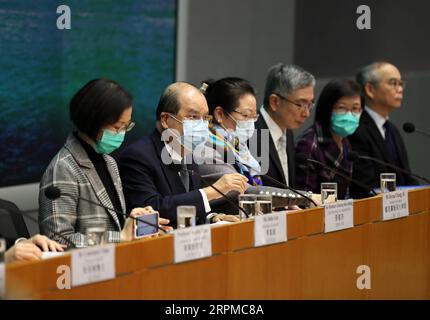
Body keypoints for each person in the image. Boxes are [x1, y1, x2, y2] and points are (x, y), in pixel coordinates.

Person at [39, 79, 170, 248]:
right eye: (117, 127)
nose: (122, 133)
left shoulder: (109, 162)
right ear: (93, 122)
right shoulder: (63, 168)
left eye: (126, 126)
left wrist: (138, 225)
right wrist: (121, 237)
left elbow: (115, 225)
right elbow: (58, 240)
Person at [116, 82, 249, 227]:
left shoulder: (187, 153)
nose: (201, 125)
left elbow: (187, 204)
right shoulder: (137, 156)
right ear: (166, 120)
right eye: (193, 117)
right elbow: (150, 211)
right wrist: (211, 192)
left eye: (205, 118)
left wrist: (212, 217)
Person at [197, 77, 311, 213]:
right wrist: (304, 197)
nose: (251, 122)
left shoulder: (238, 146)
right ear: (220, 114)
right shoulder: (207, 147)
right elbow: (246, 191)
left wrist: (282, 203)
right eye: (245, 115)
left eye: (254, 116)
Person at [349, 61, 418, 198]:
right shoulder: (356, 129)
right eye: (393, 83)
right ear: (370, 90)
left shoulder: (392, 130)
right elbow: (366, 187)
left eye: (401, 83)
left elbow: (407, 178)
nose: (400, 89)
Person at [295, 79, 363, 199]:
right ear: (328, 109)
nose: (349, 115)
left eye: (355, 109)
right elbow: (303, 199)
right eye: (342, 108)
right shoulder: (309, 145)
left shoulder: (345, 142)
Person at [253, 63, 315, 188]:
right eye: (300, 104)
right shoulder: (253, 134)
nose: (306, 113)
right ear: (275, 102)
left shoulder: (287, 132)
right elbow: (256, 191)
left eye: (310, 104)